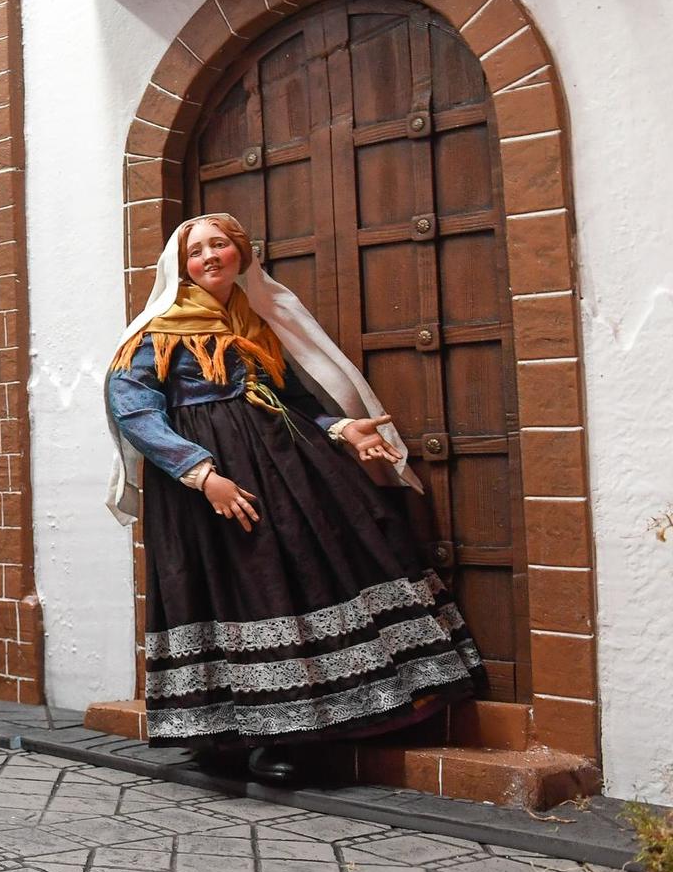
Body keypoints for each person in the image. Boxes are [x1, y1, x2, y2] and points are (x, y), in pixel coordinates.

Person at [104, 212, 484, 783]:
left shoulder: (258, 322)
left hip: (286, 467)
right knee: (231, 586)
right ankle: (226, 736)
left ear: (242, 254)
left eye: (220, 245)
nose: (210, 256)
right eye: (196, 250)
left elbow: (293, 397)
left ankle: (300, 735)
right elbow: (132, 408)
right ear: (179, 267)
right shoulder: (155, 334)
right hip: (205, 485)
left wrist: (340, 428)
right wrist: (202, 474)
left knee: (296, 574)